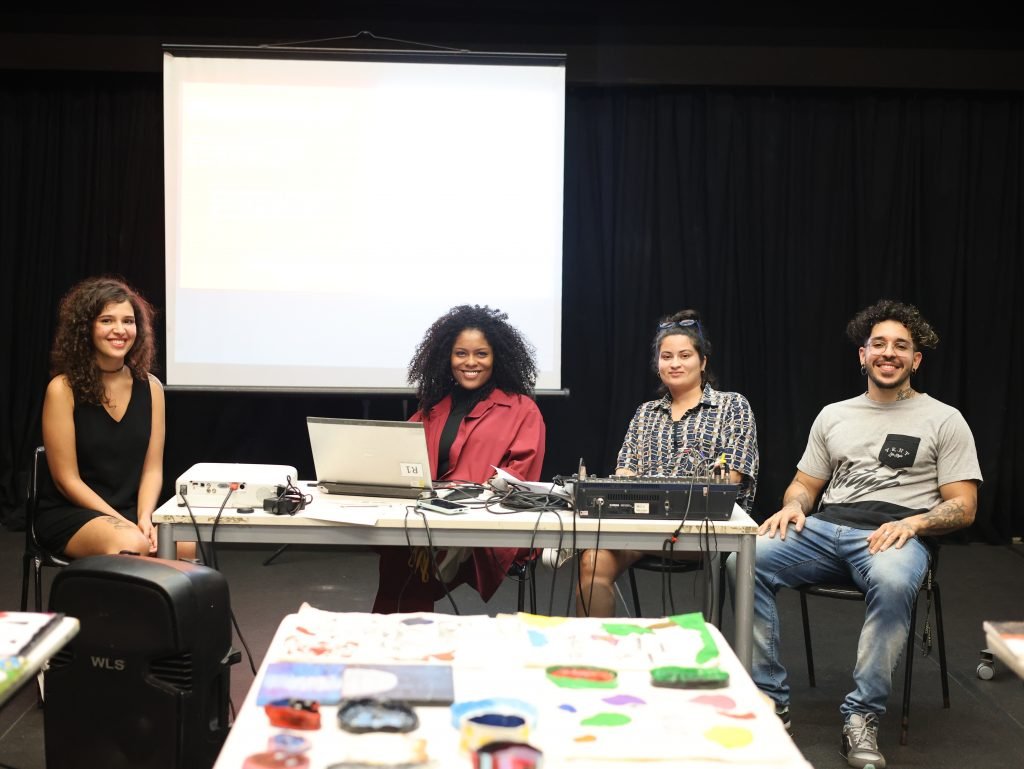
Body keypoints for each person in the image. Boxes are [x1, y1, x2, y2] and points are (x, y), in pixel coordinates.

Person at [744, 299, 981, 769]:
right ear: (862, 355)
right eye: (879, 344)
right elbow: (806, 484)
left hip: (895, 534)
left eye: (900, 346)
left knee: (893, 581)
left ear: (916, 360)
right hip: (826, 526)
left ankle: (862, 716)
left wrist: (914, 523)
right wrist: (792, 507)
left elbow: (965, 506)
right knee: (743, 558)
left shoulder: (944, 419)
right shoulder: (834, 414)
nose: (888, 353)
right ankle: (768, 698)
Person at [577, 309, 759, 617]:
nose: (674, 364)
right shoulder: (645, 412)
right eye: (666, 356)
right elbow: (625, 471)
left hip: (705, 532)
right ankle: (596, 659)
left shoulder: (732, 405)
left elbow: (733, 477)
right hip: (642, 528)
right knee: (592, 560)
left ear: (702, 362)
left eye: (685, 355)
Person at [372, 305, 546, 613]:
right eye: (460, 353)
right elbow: (399, 459)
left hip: (486, 525)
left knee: (407, 560)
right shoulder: (433, 408)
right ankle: (406, 638)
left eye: (481, 354)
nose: (470, 362)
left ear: (497, 358)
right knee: (399, 551)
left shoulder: (521, 410)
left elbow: (519, 481)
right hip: (430, 518)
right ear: (446, 357)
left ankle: (398, 641)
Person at [36, 276, 169, 559]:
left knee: (187, 543)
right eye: (107, 320)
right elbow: (66, 480)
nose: (120, 330)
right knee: (132, 544)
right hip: (73, 513)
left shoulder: (152, 388)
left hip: (131, 512)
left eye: (128, 321)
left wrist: (145, 518)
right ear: (86, 328)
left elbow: (152, 470)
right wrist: (124, 525)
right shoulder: (63, 389)